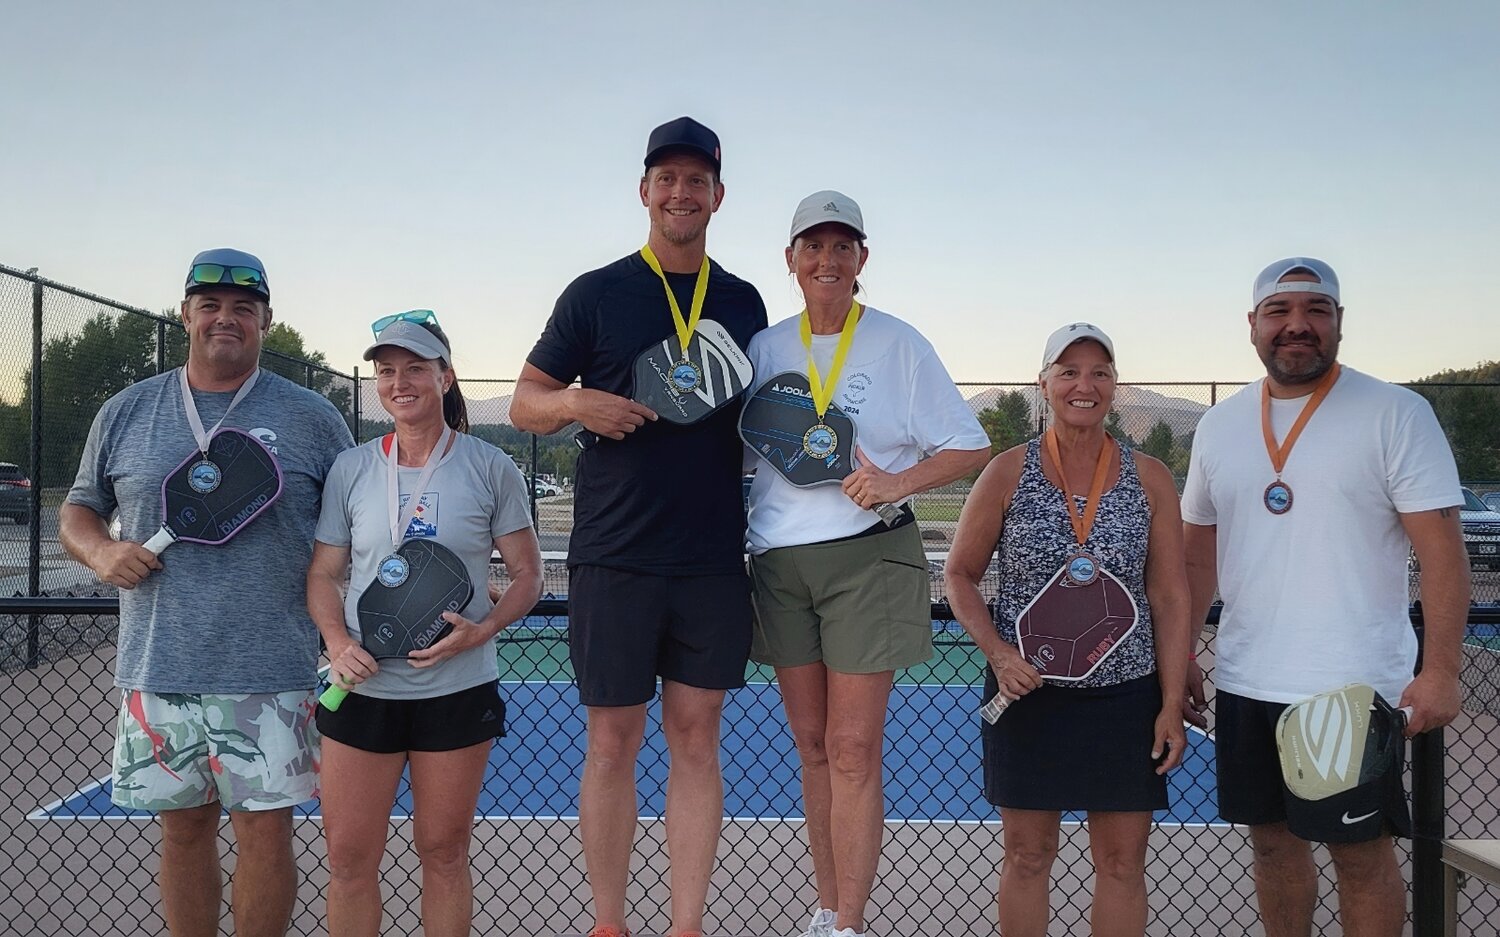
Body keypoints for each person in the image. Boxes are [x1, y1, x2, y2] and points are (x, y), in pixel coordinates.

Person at [509, 116, 767, 937]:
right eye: (667, 178)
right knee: (612, 743)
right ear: (644, 190)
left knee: (696, 742)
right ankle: (610, 922)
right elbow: (525, 402)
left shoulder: (742, 299)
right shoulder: (595, 292)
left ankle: (685, 924)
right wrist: (578, 401)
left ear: (718, 196)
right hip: (614, 557)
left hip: (710, 560)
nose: (681, 192)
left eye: (697, 180)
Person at [59, 248, 354, 937]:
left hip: (272, 672)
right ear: (186, 313)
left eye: (243, 308)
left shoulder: (311, 417)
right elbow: (77, 509)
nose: (227, 318)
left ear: (266, 321)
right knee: (183, 833)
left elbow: (360, 522)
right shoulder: (127, 410)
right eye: (211, 304)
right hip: (159, 667)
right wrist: (101, 550)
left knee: (265, 837)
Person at [1180, 258, 1470, 937]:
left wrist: (1443, 671)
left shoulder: (1397, 413)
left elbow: (1443, 554)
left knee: (1360, 857)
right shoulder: (1219, 426)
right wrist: (1186, 650)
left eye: (1316, 309)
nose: (1298, 325)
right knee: (1273, 848)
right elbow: (1197, 556)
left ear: (1339, 322)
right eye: (1280, 311)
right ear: (1253, 324)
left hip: (1351, 689)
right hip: (1250, 680)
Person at [743, 191, 990, 937]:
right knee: (813, 745)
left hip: (868, 557)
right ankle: (825, 907)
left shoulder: (897, 343)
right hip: (780, 562)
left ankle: (850, 922)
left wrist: (896, 482)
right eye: (812, 246)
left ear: (862, 259)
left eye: (841, 246)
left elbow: (970, 444)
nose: (827, 260)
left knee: (853, 748)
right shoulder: (764, 349)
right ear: (790, 260)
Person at [944, 323, 1190, 937]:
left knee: (1122, 864)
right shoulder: (1006, 472)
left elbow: (1168, 593)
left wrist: (1169, 700)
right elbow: (959, 576)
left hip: (1125, 699)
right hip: (1029, 696)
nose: (1085, 385)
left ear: (1115, 385)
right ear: (1045, 383)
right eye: (1070, 372)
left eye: (1100, 372)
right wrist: (1000, 656)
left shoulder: (1151, 476)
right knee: (1028, 859)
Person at [308, 312, 542, 936]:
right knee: (349, 859)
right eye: (386, 371)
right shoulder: (351, 469)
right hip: (362, 691)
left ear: (446, 376)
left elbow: (527, 577)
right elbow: (324, 575)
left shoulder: (490, 466)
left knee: (443, 855)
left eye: (415, 367)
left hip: (457, 691)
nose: (399, 381)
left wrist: (482, 630)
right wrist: (336, 642)